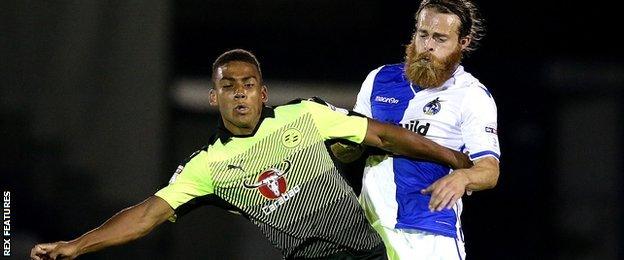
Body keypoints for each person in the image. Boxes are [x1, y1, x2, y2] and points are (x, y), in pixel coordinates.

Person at [30, 49, 472, 260]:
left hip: (371, 253)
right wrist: (76, 245)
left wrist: (452, 158)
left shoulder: (307, 116)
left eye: (247, 84)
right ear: (213, 98)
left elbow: (385, 136)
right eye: (228, 85)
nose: (239, 92)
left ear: (262, 93)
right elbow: (146, 214)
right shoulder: (207, 167)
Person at [333, 1, 501, 259]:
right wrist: (344, 144)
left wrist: (463, 178)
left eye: (440, 38)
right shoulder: (379, 79)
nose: (428, 46)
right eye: (423, 34)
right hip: (372, 231)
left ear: (463, 42)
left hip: (430, 233)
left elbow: (489, 171)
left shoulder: (471, 95)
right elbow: (349, 153)